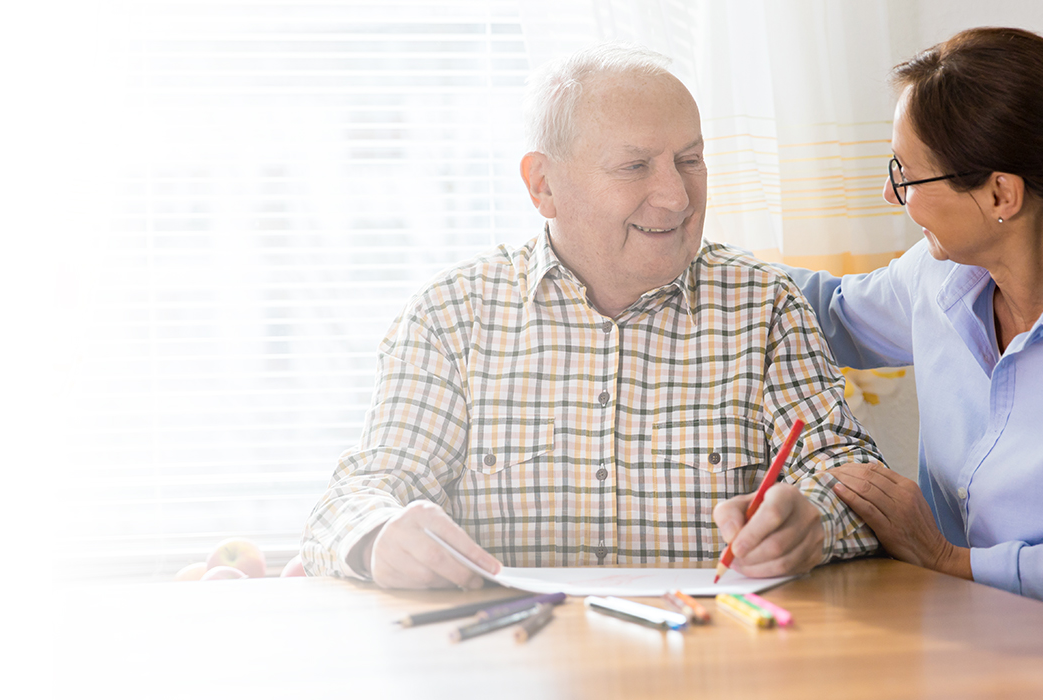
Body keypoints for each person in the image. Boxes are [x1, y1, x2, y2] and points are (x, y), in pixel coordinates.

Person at [300, 43, 883, 589]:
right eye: (634, 167)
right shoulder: (451, 317)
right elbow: (361, 492)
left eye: (690, 160)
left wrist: (816, 519)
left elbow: (855, 480)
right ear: (543, 185)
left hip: (715, 660)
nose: (677, 197)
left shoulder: (767, 304)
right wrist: (378, 536)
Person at [782, 28, 1043, 623]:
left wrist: (946, 558)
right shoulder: (941, 275)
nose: (893, 194)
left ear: (1001, 194)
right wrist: (698, 257)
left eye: (908, 175)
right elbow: (831, 313)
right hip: (947, 633)